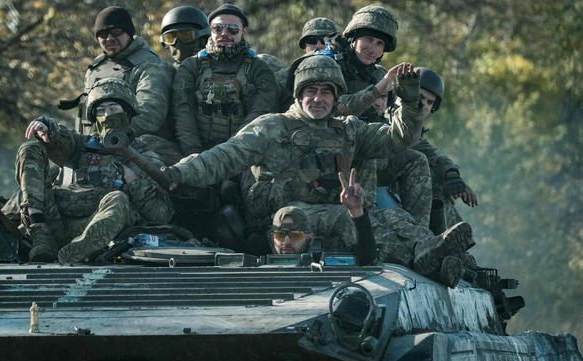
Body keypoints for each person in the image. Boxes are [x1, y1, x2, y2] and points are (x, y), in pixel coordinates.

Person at [160, 55, 424, 252]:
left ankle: (434, 253)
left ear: (336, 98)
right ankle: (414, 254)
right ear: (299, 95)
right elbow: (223, 157)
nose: (318, 99)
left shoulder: (349, 129)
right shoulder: (271, 127)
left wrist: (410, 103)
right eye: (311, 91)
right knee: (345, 218)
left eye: (325, 93)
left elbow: (399, 139)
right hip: (283, 224)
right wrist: (179, 172)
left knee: (394, 216)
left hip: (333, 215)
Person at [3, 78, 173, 264]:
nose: (107, 115)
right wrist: (48, 130)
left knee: (118, 198)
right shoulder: (80, 145)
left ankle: (81, 249)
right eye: (100, 110)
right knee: (30, 148)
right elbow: (62, 140)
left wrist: (135, 183)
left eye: (113, 108)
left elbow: (161, 214)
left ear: (128, 112)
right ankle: (39, 233)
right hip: (55, 221)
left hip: (96, 226)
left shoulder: (143, 157)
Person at [172, 3, 278, 155]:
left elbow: (260, 114)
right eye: (218, 28)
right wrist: (193, 152)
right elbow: (183, 112)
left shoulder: (259, 69)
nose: (224, 33)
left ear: (244, 31)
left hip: (243, 151)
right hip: (196, 151)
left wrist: (232, 152)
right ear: (210, 30)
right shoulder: (191, 66)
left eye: (232, 29)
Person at [60, 6, 174, 143]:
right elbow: (85, 118)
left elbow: (149, 117)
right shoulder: (96, 67)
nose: (109, 38)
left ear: (129, 33)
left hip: (141, 149)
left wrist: (109, 137)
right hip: (95, 146)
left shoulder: (150, 66)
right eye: (102, 34)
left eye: (116, 32)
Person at [411, 67, 478, 239]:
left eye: (429, 102)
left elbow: (430, 151)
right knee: (432, 178)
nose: (423, 106)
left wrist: (452, 175)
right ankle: (437, 243)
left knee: (444, 186)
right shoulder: (386, 119)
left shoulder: (413, 132)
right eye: (420, 98)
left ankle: (453, 248)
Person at [268, 168, 377, 265]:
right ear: (272, 238)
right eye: (280, 235)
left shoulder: (321, 261)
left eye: (295, 235)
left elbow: (366, 257)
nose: (286, 242)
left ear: (309, 238)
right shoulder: (260, 260)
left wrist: (356, 211)